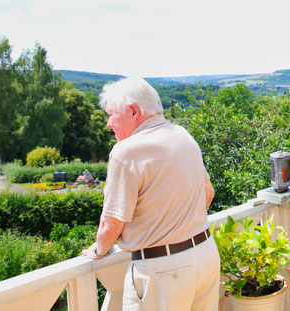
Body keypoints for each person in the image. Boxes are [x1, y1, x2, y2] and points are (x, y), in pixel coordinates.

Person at [82, 77, 219, 310]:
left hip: (163, 271)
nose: (108, 123)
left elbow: (111, 225)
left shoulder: (125, 152)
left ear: (133, 112)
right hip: (205, 255)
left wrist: (98, 250)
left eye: (112, 113)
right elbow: (208, 193)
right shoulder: (183, 135)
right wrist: (179, 227)